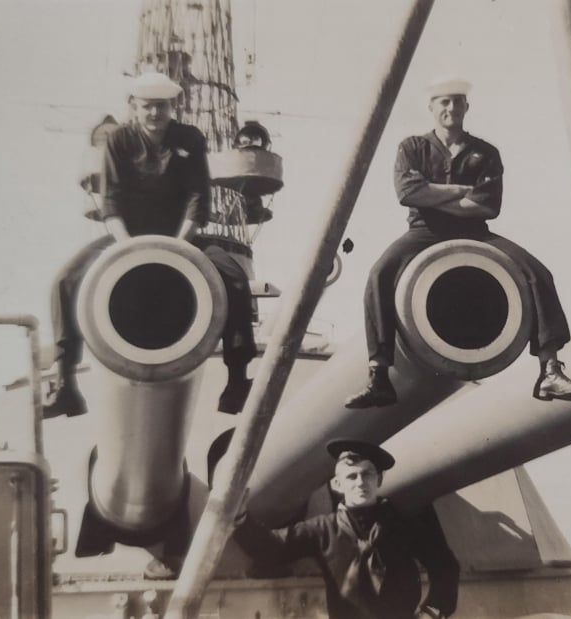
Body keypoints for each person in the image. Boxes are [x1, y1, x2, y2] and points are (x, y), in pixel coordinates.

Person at [346, 77, 571, 408]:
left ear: (467, 107)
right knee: (380, 273)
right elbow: (407, 193)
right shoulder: (412, 148)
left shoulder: (485, 153)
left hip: (475, 230)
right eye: (444, 102)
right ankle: (378, 374)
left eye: (457, 102)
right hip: (424, 231)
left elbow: (489, 205)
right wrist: (461, 192)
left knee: (538, 273)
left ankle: (550, 369)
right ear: (432, 108)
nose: (451, 108)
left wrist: (432, 192)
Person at [43, 71, 257, 418]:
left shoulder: (189, 139)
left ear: (174, 106)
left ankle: (237, 379)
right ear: (133, 107)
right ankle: (65, 382)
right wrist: (131, 250)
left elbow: (197, 199)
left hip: (183, 236)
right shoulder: (119, 142)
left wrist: (176, 248)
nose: (155, 114)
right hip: (127, 236)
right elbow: (111, 201)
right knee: (65, 281)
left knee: (233, 277)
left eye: (162, 106)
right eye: (147, 107)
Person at [232, 439, 460, 619]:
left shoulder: (403, 525)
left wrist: (432, 612)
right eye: (351, 476)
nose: (360, 482)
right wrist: (240, 517)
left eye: (367, 474)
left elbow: (446, 566)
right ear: (337, 485)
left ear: (379, 480)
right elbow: (272, 548)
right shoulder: (323, 530)